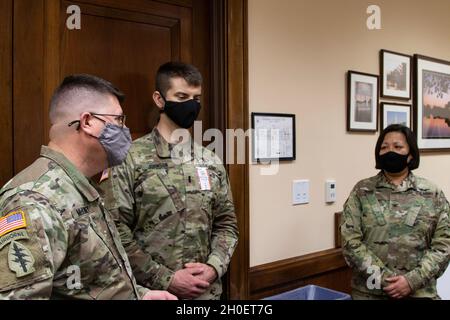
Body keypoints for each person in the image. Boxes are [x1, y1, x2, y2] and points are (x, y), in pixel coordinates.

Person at [0, 74, 176, 300]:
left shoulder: (79, 187)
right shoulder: (34, 201)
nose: (126, 130)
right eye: (120, 120)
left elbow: (86, 281)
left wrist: (139, 297)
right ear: (88, 122)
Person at [102, 62, 239, 299]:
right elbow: (113, 230)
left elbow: (226, 225)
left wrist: (214, 267)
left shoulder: (211, 161)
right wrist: (166, 279)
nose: (192, 105)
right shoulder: (129, 158)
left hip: (206, 295)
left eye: (196, 98)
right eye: (182, 96)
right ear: (159, 99)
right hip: (152, 294)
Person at [341, 124, 450, 300]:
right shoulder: (362, 191)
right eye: (384, 147)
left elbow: (444, 245)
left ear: (411, 154)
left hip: (419, 292)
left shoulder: (432, 193)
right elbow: (350, 241)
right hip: (370, 293)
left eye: (398, 147)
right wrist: (384, 279)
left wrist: (411, 281)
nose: (390, 151)